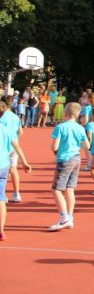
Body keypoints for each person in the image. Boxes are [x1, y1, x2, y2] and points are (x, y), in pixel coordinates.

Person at [49, 102, 91, 231]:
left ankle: (64, 218)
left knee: (56, 189)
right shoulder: (80, 128)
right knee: (69, 189)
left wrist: (57, 150)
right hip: (76, 158)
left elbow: (54, 147)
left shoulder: (60, 127)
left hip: (64, 159)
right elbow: (87, 146)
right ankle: (70, 217)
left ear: (65, 113)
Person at [0, 97, 32, 241]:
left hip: (4, 154)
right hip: (6, 158)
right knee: (1, 197)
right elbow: (19, 136)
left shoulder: (4, 122)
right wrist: (25, 162)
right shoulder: (10, 124)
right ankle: (16, 193)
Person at [0, 95, 24, 203]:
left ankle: (2, 194)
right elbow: (20, 132)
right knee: (14, 170)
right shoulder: (15, 117)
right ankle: (16, 193)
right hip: (14, 146)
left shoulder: (2, 117)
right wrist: (14, 139)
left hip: (3, 147)